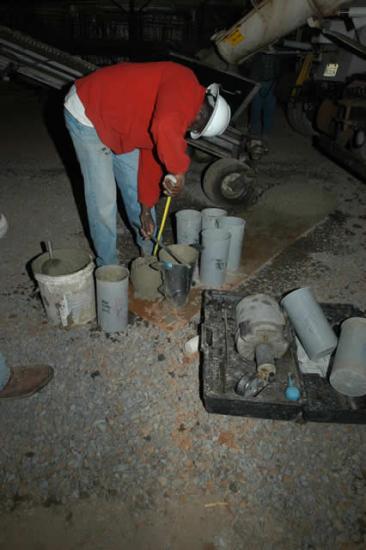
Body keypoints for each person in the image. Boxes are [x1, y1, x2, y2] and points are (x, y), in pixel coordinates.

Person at [64, 61, 231, 266]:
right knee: (103, 200)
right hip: (88, 108)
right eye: (195, 127)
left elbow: (151, 159)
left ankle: (149, 255)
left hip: (121, 122)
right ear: (202, 115)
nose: (189, 131)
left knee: (135, 188)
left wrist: (145, 209)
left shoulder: (175, 116)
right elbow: (164, 125)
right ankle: (108, 267)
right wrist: (178, 170)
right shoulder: (184, 81)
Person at [247, 51, 281, 159]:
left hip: (271, 85)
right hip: (258, 84)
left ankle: (265, 137)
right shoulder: (257, 53)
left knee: (268, 112)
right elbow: (249, 67)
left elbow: (279, 71)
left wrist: (275, 85)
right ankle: (254, 137)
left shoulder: (277, 55)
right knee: (255, 110)